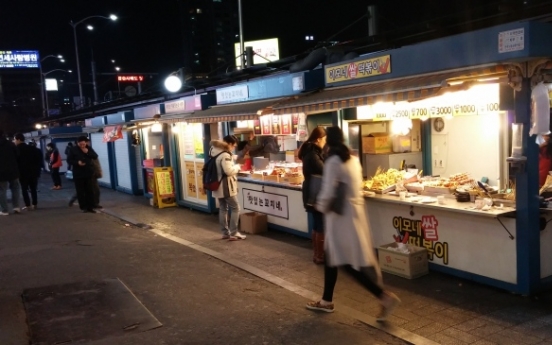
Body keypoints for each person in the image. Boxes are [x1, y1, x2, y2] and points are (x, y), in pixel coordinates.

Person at [306, 126, 400, 322]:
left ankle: (383, 296)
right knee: (334, 258)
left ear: (328, 142)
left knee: (346, 262)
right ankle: (326, 300)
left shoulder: (333, 161)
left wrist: (319, 205)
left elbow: (328, 192)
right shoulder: (353, 160)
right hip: (354, 215)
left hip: (339, 219)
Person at [297, 127, 327, 264]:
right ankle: (319, 255)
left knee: (316, 223)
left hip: (312, 190)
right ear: (319, 139)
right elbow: (324, 170)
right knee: (320, 223)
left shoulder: (309, 151)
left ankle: (317, 253)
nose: (325, 143)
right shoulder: (313, 154)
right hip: (316, 191)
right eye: (324, 139)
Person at [209, 135, 246, 241]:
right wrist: (238, 167)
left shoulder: (214, 150)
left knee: (223, 208)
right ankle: (234, 233)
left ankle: (225, 233)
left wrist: (232, 157)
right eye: (233, 146)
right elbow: (228, 171)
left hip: (216, 184)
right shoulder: (225, 154)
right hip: (225, 186)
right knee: (235, 208)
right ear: (229, 144)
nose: (233, 148)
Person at [67, 136, 98, 213]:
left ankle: (91, 206)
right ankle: (83, 207)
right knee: (80, 191)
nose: (82, 146)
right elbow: (69, 160)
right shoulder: (73, 149)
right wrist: (77, 163)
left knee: (90, 190)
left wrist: (87, 152)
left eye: (83, 144)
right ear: (77, 143)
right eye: (80, 144)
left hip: (88, 172)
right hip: (78, 173)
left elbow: (95, 156)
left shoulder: (88, 148)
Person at [14, 133, 43, 210]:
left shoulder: (17, 149)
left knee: (24, 189)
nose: (14, 141)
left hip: (22, 173)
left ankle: (28, 205)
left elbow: (15, 162)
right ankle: (35, 204)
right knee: (33, 189)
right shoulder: (33, 149)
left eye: (15, 139)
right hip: (33, 172)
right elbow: (39, 160)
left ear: (19, 139)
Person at [0, 131, 22, 215]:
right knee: (15, 188)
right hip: (13, 170)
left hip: (1, 172)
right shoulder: (11, 144)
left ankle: (4, 210)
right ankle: (16, 207)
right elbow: (17, 155)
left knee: (2, 190)